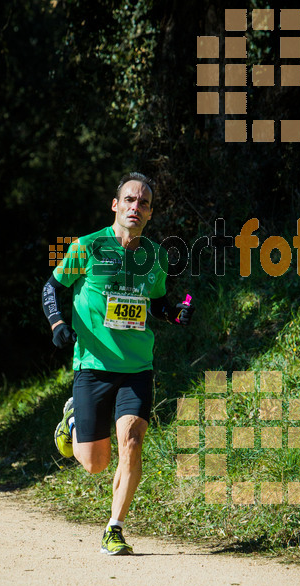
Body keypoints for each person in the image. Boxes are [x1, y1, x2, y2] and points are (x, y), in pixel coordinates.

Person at [42, 172, 194, 555]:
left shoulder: (155, 256)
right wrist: (58, 323)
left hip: (137, 367)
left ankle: (115, 527)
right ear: (115, 205)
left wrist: (174, 313)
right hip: (93, 364)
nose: (135, 207)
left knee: (132, 443)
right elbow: (51, 287)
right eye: (129, 200)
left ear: (150, 212)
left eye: (143, 203)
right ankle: (73, 419)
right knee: (95, 463)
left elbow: (156, 302)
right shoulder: (87, 247)